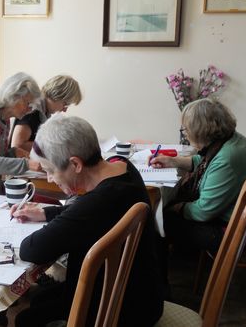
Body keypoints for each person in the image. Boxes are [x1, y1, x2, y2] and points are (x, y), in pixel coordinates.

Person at [10, 114, 163, 326]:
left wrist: (59, 217)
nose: (50, 179)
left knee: (25, 317)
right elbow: (92, 217)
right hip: (139, 291)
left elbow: (31, 249)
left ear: (75, 164)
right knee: (41, 297)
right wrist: (46, 213)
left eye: (50, 170)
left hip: (120, 311)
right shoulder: (121, 165)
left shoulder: (95, 204)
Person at [150, 98, 246, 251]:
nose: (185, 134)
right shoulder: (229, 141)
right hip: (245, 222)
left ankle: (157, 273)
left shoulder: (227, 158)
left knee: (158, 221)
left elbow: (203, 212)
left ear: (200, 131)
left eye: (186, 129)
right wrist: (173, 161)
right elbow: (203, 162)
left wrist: (176, 207)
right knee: (165, 213)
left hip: (242, 231)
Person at [10, 74, 82, 152]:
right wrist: (52, 145)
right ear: (57, 95)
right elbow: (17, 145)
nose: (65, 110)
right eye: (65, 104)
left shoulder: (44, 112)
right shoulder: (33, 111)